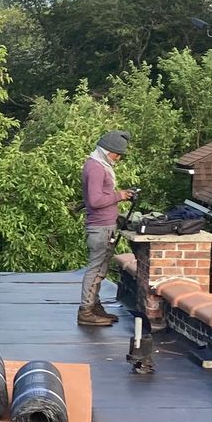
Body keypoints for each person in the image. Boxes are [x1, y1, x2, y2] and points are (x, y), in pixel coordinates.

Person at [79, 130, 134, 327]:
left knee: (100, 269)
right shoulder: (96, 168)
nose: (118, 158)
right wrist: (120, 195)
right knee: (95, 270)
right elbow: (95, 200)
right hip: (100, 227)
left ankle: (94, 306)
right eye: (117, 154)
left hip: (105, 225)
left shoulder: (98, 165)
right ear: (107, 151)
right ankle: (86, 311)